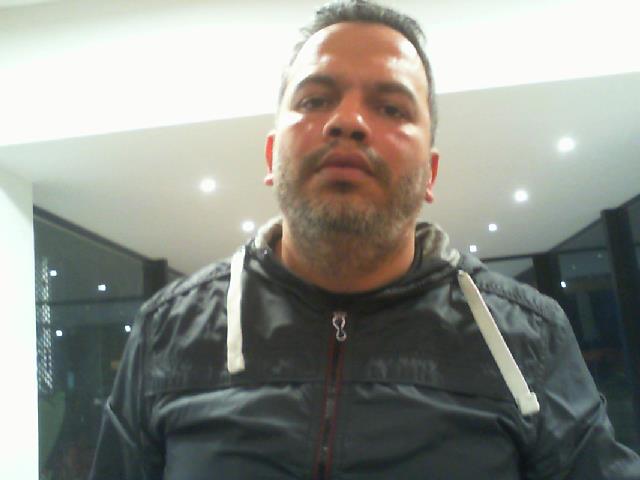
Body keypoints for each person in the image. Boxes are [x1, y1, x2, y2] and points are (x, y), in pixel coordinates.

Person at [90, 1, 640, 478]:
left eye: (391, 108)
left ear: (430, 174)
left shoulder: (528, 337)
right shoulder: (167, 331)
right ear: (272, 157)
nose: (348, 121)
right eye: (315, 100)